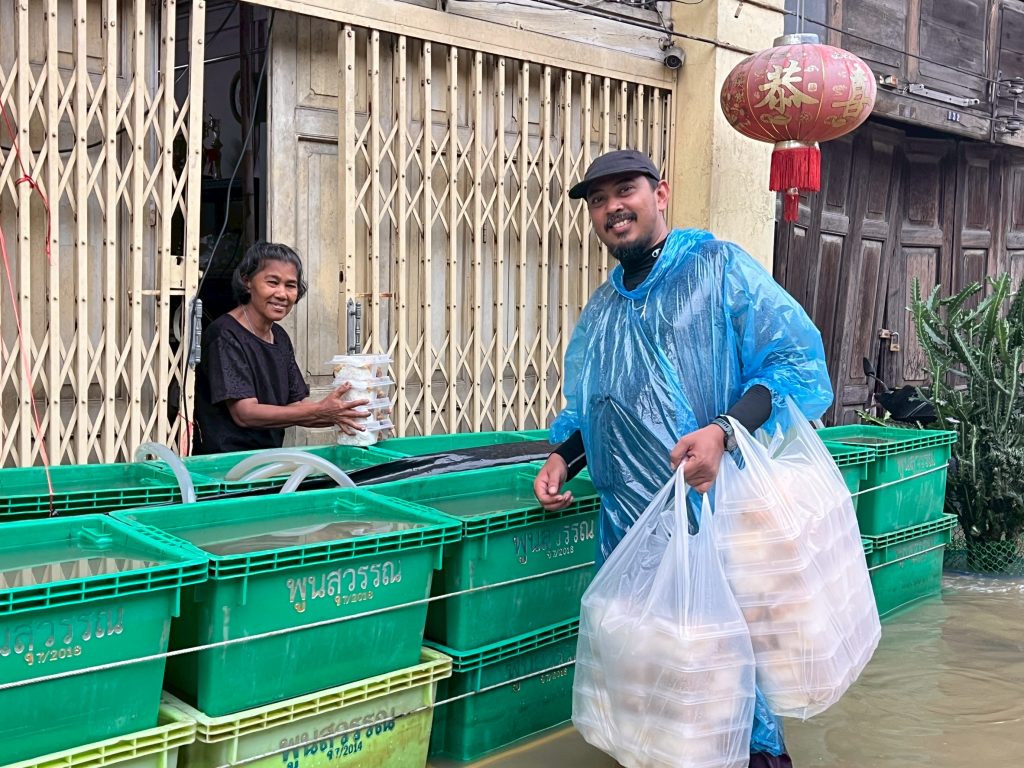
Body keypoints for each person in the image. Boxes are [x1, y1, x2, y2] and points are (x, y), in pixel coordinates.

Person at [532, 149, 833, 767]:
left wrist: (723, 431)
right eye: (598, 200)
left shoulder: (717, 268)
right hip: (628, 535)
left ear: (660, 194)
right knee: (653, 687)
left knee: (728, 675)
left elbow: (793, 363)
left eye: (626, 190)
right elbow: (601, 408)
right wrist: (564, 458)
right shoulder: (603, 310)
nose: (612, 208)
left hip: (708, 518)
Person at [193, 241, 369, 455]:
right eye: (272, 282)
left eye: (290, 285)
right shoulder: (225, 335)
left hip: (266, 460)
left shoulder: (279, 336)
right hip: (226, 464)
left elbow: (297, 406)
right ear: (247, 282)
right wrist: (322, 411)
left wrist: (351, 412)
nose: (282, 294)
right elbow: (245, 414)